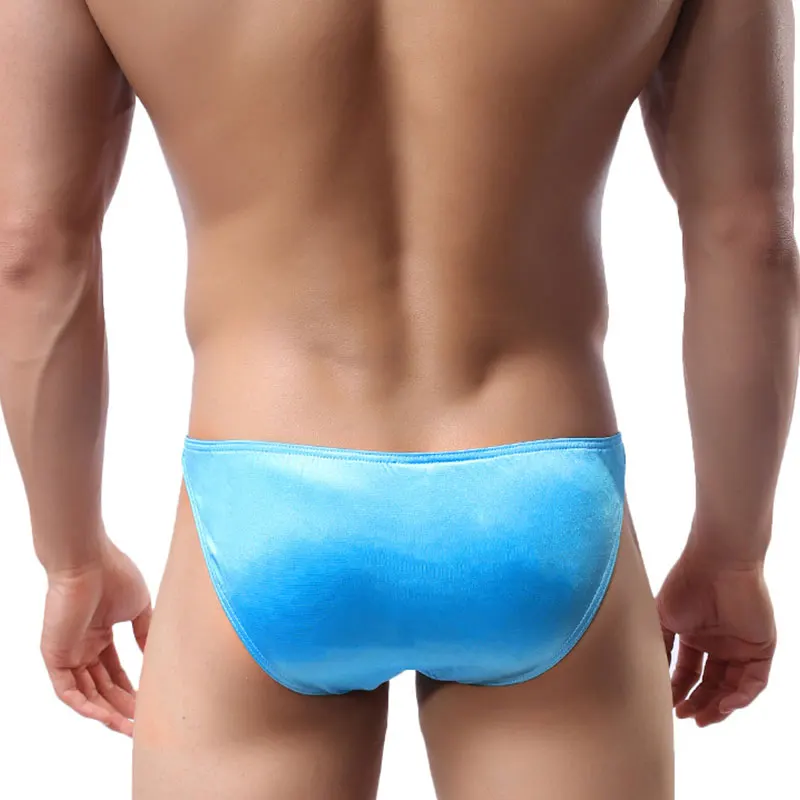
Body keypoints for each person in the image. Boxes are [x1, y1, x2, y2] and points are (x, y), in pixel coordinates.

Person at [0, 0, 797, 797]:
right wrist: (733, 553)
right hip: (539, 493)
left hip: (265, 500)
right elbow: (748, 237)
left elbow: (31, 251)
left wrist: (72, 559)